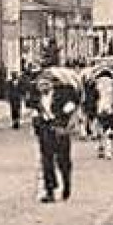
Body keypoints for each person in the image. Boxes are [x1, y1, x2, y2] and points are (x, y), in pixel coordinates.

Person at [29, 72, 79, 202]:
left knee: (63, 161)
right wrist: (37, 124)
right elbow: (35, 113)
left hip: (60, 130)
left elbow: (71, 107)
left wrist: (62, 117)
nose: (43, 87)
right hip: (45, 132)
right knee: (46, 161)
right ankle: (49, 190)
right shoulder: (37, 99)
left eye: (46, 84)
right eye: (40, 85)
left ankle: (66, 184)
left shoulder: (62, 96)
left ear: (51, 85)